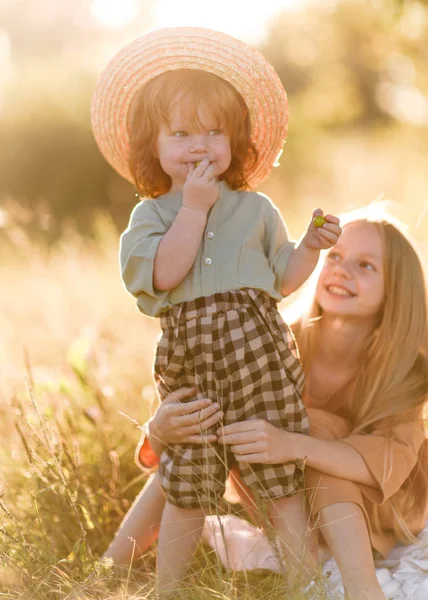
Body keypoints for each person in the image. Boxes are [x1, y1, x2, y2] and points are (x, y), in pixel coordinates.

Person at [91, 27, 341, 597]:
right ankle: (170, 588)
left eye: (214, 131)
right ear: (151, 145)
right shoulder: (151, 217)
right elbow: (161, 276)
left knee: (279, 481)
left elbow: (282, 277)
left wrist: (309, 247)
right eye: (181, 133)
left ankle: (303, 583)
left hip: (260, 355)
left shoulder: (255, 208)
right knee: (188, 483)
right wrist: (194, 210)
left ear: (237, 141)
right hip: (194, 361)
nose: (200, 145)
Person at [103, 210, 428, 600]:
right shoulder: (272, 341)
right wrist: (159, 431)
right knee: (198, 436)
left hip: (371, 519)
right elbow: (199, 411)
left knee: (319, 433)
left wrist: (293, 445)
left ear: (396, 289)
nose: (341, 271)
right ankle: (108, 571)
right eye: (335, 257)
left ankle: (363, 589)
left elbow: (390, 460)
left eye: (365, 265)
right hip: (286, 504)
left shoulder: (406, 372)